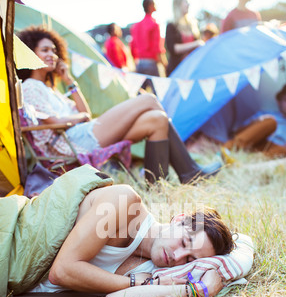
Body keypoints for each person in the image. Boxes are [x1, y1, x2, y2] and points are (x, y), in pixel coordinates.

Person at [17, 25, 222, 184]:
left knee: (157, 120)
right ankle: (190, 171)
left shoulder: (50, 90)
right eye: (44, 50)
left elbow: (84, 111)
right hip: (70, 143)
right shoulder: (29, 87)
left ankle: (158, 187)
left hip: (80, 133)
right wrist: (80, 118)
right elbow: (60, 119)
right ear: (30, 53)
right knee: (149, 99)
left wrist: (69, 81)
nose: (52, 55)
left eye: (53, 50)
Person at [29, 176, 234, 297]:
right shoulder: (125, 202)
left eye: (189, 259)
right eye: (184, 242)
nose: (177, 257)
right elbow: (62, 272)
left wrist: (200, 291)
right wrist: (135, 282)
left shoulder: (154, 268)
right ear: (179, 219)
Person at [222, 83, 286, 158]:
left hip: (274, 150)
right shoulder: (266, 114)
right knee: (271, 122)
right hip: (255, 142)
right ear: (279, 102)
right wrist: (257, 121)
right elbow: (239, 131)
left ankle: (251, 159)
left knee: (282, 151)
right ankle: (229, 148)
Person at [165, 0, 203, 76]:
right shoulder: (171, 25)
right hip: (177, 69)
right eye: (186, 2)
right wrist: (195, 44)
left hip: (192, 69)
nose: (188, 5)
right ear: (178, 4)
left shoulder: (193, 24)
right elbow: (172, 48)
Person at [130, 0, 167, 77]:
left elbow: (132, 47)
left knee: (140, 89)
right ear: (150, 6)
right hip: (151, 64)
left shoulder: (136, 26)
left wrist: (136, 62)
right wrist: (165, 65)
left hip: (140, 64)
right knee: (159, 88)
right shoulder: (154, 25)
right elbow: (158, 48)